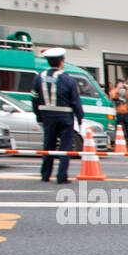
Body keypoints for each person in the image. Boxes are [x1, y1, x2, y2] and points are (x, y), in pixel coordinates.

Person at [32, 47, 84, 184]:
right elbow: (75, 101)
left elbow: (34, 98)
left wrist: (38, 116)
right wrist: (80, 118)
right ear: (62, 62)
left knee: (48, 145)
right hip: (65, 116)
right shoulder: (68, 80)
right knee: (65, 147)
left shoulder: (39, 78)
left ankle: (45, 175)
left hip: (47, 116)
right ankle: (62, 176)